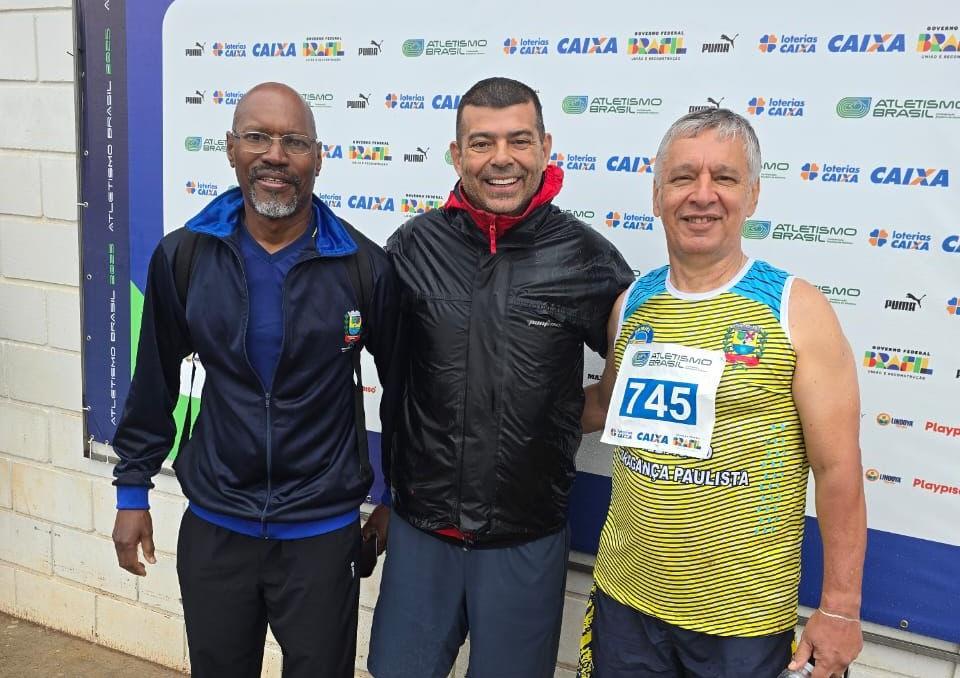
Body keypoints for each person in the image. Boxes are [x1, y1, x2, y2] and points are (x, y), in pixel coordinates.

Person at [110, 82, 399, 678]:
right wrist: (132, 489)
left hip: (322, 533)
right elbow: (154, 383)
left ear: (318, 158)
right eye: (257, 137)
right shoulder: (184, 257)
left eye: (294, 142)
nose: (275, 155)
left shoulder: (364, 268)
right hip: (217, 525)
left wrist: (397, 499)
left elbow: (405, 395)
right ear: (230, 149)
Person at [577, 108, 866, 678]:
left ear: (752, 195)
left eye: (724, 179)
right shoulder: (633, 302)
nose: (702, 196)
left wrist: (840, 609)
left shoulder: (795, 308)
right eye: (683, 178)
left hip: (744, 623)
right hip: (626, 600)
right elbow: (603, 407)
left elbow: (838, 470)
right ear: (658, 193)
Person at [363, 77, 634, 678]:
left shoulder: (587, 258)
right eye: (482, 143)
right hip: (421, 532)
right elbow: (389, 374)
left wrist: (568, 415)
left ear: (545, 147)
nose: (502, 158)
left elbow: (631, 381)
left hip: (524, 539)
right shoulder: (413, 247)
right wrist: (385, 496)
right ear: (458, 155)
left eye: (519, 140)